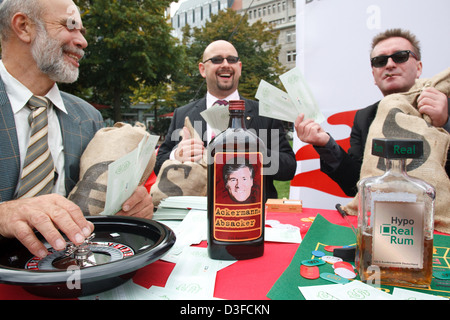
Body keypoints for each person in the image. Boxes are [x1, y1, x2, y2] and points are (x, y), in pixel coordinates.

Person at [0, 0, 153, 259]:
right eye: (70, 26)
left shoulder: (89, 117)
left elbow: (100, 218)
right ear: (24, 27)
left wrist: (137, 208)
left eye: (81, 31)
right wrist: (5, 213)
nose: (82, 41)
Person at [294, 28, 450, 196]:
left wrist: (445, 123)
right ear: (374, 75)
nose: (390, 64)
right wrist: (324, 144)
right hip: (382, 217)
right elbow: (354, 184)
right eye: (380, 60)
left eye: (400, 56)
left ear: (419, 67)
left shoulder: (444, 106)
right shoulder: (364, 118)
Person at [155, 40, 296, 200]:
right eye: (216, 60)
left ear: (239, 67)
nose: (225, 64)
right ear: (202, 69)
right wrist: (177, 155)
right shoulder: (182, 114)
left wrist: (256, 154)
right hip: (197, 214)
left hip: (250, 213)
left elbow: (289, 168)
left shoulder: (264, 113)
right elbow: (158, 163)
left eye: (231, 60)